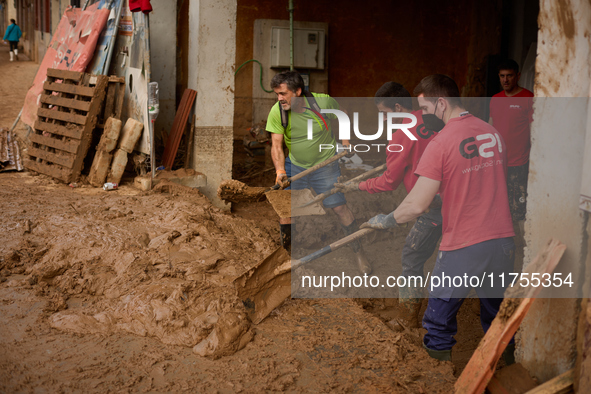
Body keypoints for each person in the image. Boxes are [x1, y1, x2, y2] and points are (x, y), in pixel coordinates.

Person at [361, 74, 515, 361]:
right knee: (497, 315)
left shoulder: (441, 143)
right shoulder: (492, 133)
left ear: (441, 103)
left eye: (427, 110)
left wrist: (388, 219)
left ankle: (438, 379)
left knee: (438, 322)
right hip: (503, 239)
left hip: (465, 243)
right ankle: (505, 373)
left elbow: (418, 205)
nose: (424, 117)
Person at [334, 82, 442, 331]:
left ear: (397, 107)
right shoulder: (432, 121)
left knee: (413, 257)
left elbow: (389, 182)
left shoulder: (402, 134)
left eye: (384, 113)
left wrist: (356, 187)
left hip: (429, 205)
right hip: (454, 198)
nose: (383, 119)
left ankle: (408, 316)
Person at [266, 70, 371, 274]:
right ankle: (288, 257)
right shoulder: (277, 111)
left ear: (298, 91)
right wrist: (280, 171)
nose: (279, 99)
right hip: (295, 164)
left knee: (339, 208)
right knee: (286, 212)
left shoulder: (322, 103)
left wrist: (346, 141)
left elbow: (343, 114)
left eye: (283, 94)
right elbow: (276, 146)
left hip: (326, 164)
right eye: (277, 94)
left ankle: (359, 252)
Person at [489, 59, 534, 236]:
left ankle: (522, 246)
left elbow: (533, 131)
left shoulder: (528, 98)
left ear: (518, 76)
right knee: (497, 205)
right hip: (496, 162)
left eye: (509, 76)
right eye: (502, 76)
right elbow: (490, 127)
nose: (505, 80)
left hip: (518, 163)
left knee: (518, 209)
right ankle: (501, 241)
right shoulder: (495, 99)